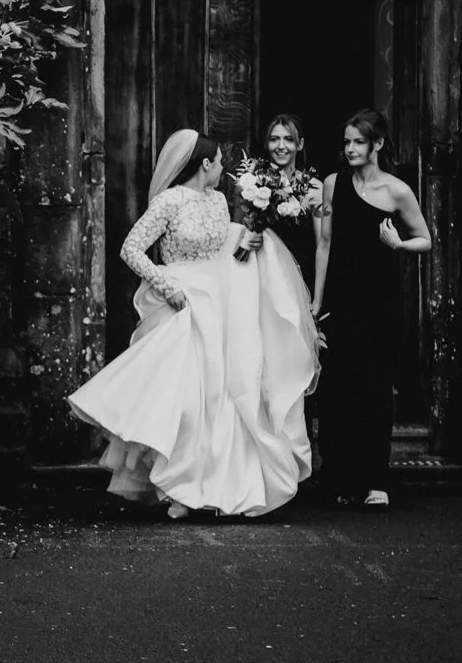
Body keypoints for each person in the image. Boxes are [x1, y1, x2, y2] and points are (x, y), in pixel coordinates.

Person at [68, 129, 320, 518]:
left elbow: (220, 250)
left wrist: (244, 243)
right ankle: (176, 489)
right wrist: (166, 285)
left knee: (219, 397)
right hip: (181, 301)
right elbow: (130, 248)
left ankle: (208, 486)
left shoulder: (219, 200)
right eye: (219, 161)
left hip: (218, 301)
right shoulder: (169, 201)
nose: (223, 169)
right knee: (184, 398)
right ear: (204, 164)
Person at [312, 109, 432, 509]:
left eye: (358, 142)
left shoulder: (397, 191)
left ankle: (375, 479)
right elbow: (325, 243)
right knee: (337, 388)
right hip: (341, 299)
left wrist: (398, 245)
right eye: (346, 142)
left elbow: (425, 240)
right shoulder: (333, 185)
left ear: (377, 144)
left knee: (374, 387)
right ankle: (339, 477)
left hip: (379, 300)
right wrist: (316, 299)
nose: (350, 149)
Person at [234, 113, 318, 269]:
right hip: (260, 270)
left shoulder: (313, 188)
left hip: (300, 273)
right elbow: (235, 231)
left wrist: (318, 294)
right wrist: (247, 234)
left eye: (289, 139)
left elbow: (323, 246)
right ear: (266, 144)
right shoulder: (249, 183)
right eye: (274, 139)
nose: (281, 146)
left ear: (300, 144)